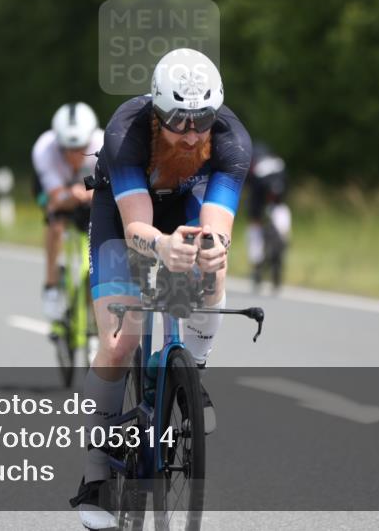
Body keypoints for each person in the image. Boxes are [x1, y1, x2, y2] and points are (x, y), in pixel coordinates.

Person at [71, 48, 251, 528]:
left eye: (202, 120)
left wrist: (213, 248)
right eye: (178, 121)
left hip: (183, 207)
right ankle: (96, 475)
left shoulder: (232, 140)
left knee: (210, 268)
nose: (192, 134)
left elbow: (217, 221)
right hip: (125, 213)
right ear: (156, 110)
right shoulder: (126, 131)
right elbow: (136, 231)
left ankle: (192, 374)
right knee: (120, 340)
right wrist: (162, 248)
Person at [31, 103, 103, 325]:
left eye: (80, 148)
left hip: (89, 191)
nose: (74, 156)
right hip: (56, 191)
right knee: (55, 220)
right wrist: (70, 196)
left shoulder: (104, 145)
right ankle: (51, 285)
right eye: (68, 150)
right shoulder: (44, 149)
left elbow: (109, 190)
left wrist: (86, 194)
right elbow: (55, 198)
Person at [246, 142, 291, 293]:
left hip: (259, 208)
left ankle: (257, 267)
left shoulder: (253, 167)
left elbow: (251, 192)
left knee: (255, 235)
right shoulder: (278, 163)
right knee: (283, 234)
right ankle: (283, 244)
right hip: (279, 206)